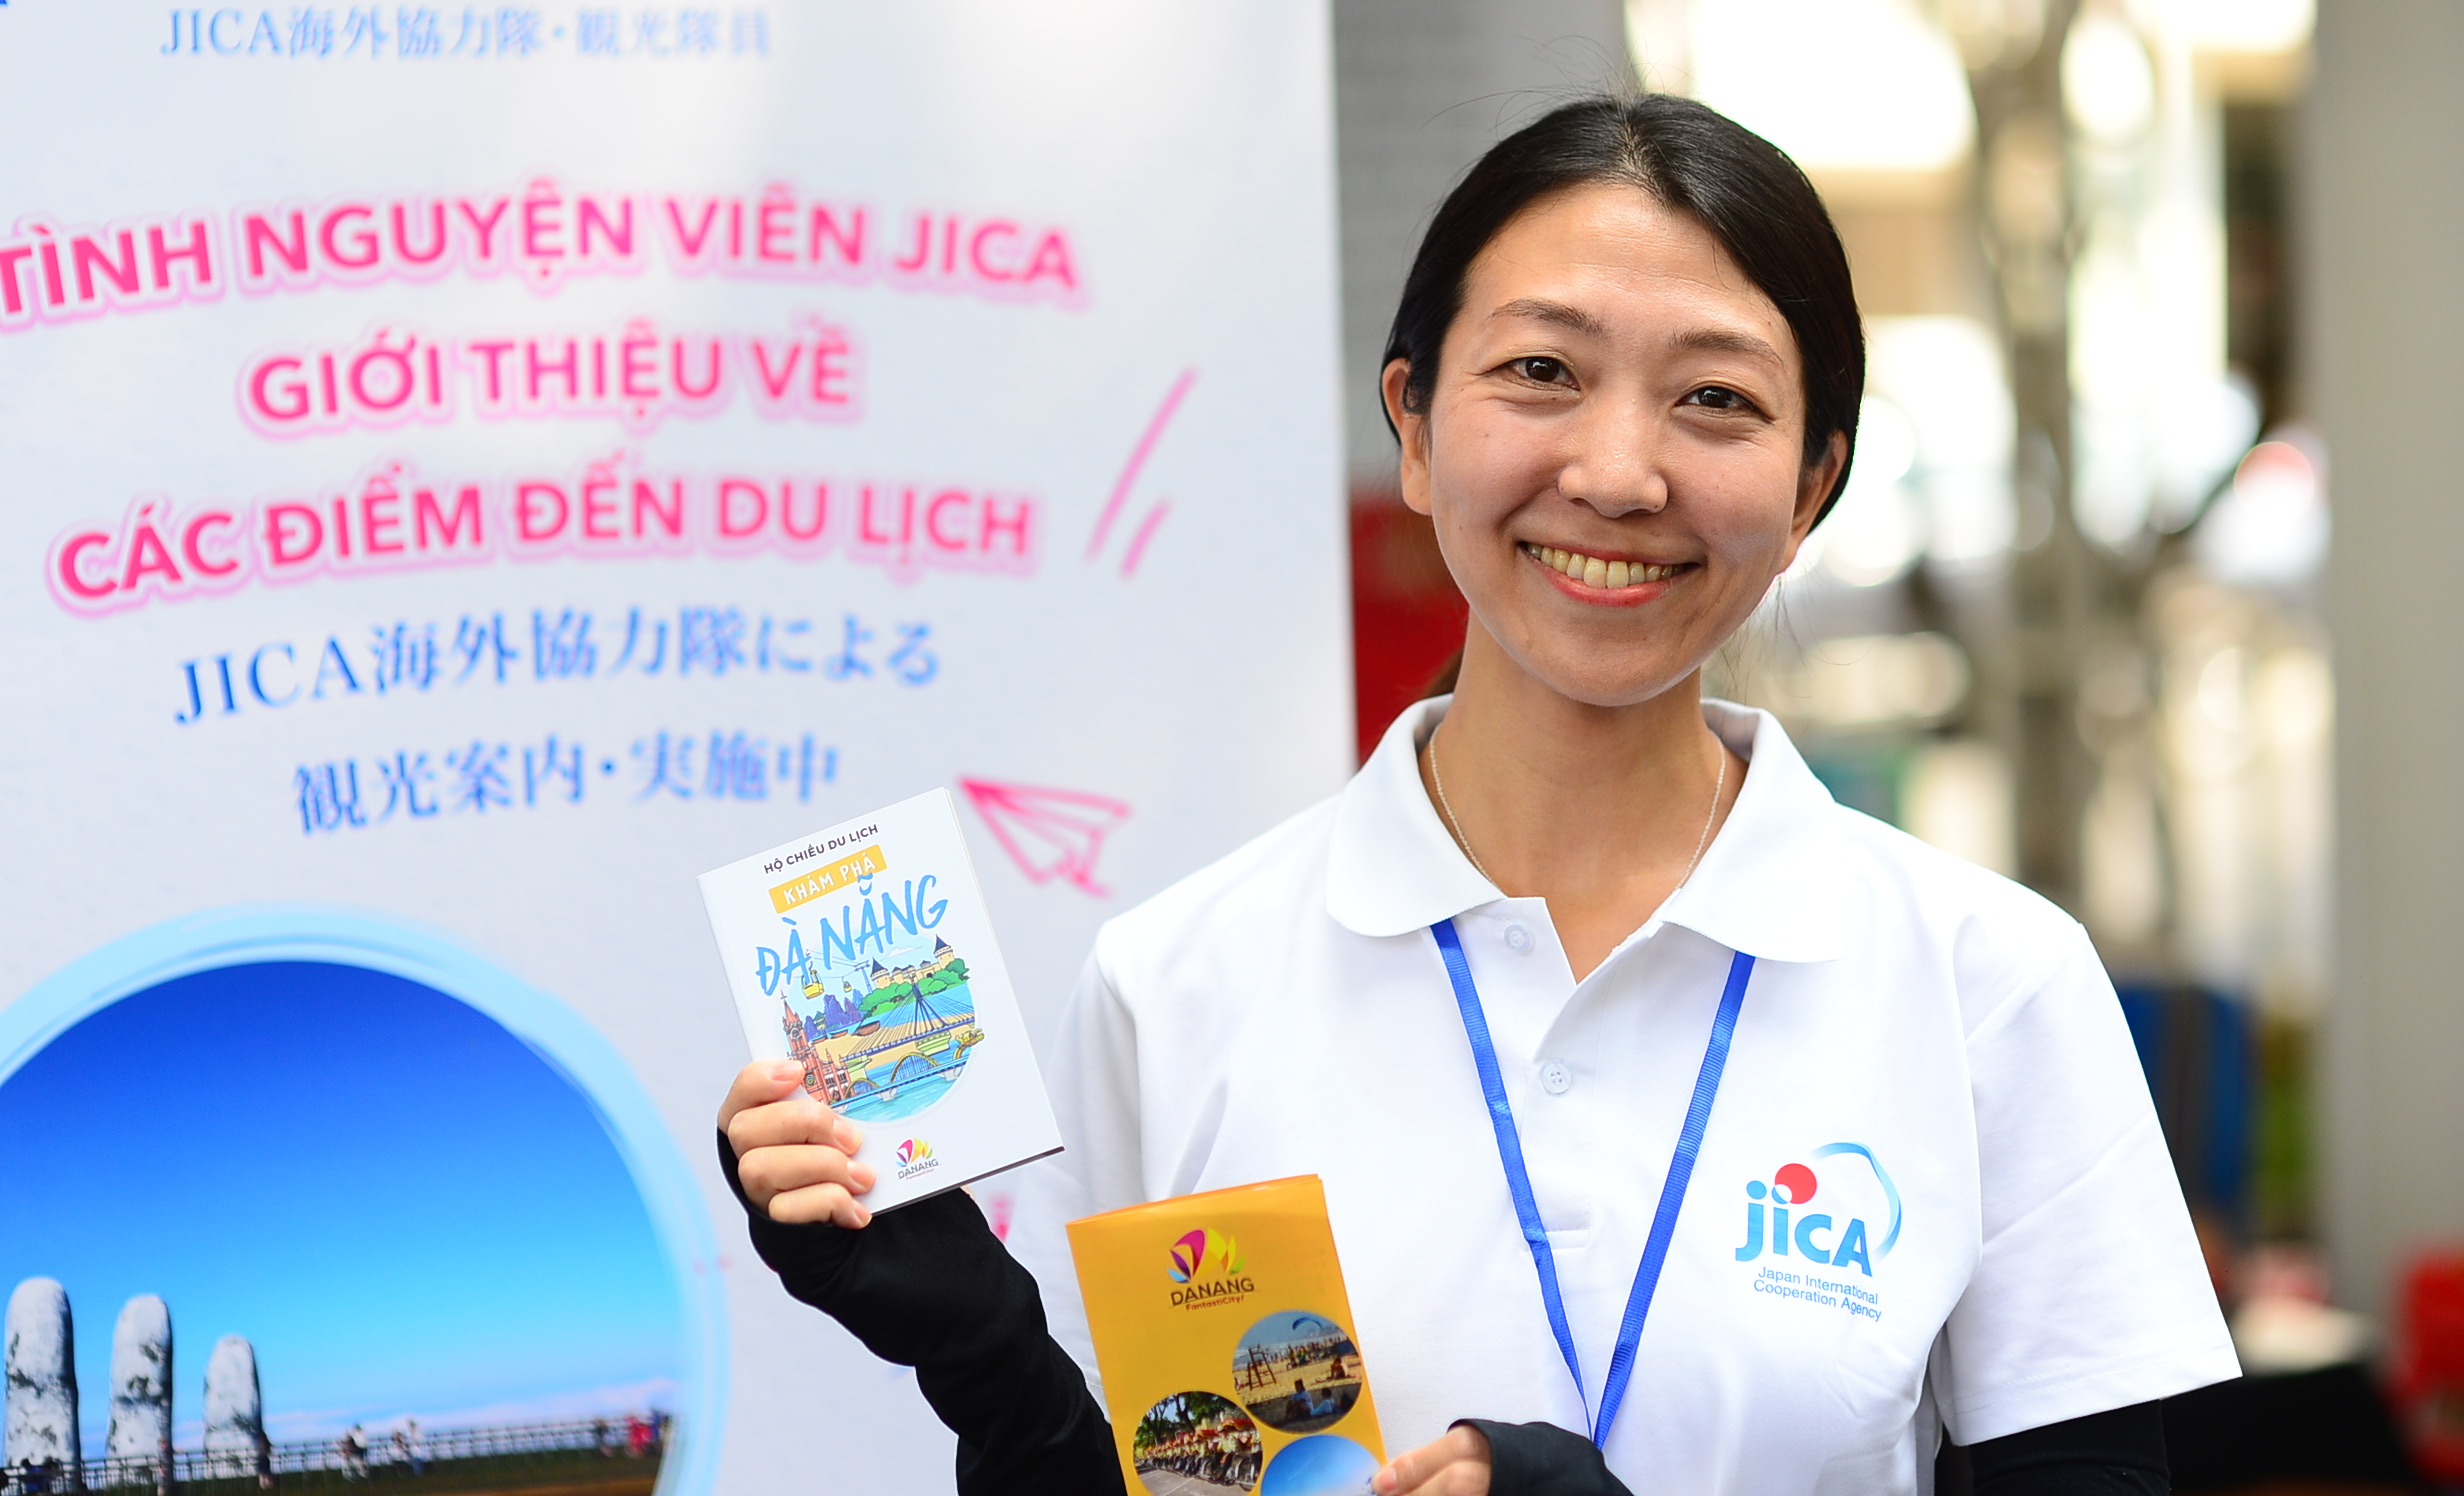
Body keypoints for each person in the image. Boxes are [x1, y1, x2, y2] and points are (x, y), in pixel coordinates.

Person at [718, 93, 2236, 1495]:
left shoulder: (1989, 982)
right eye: (1540, 372)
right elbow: (1187, 1481)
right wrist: (982, 1355)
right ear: (1417, 429)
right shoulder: (1177, 982)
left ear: (1813, 489)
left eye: (1716, 399)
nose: (1621, 473)